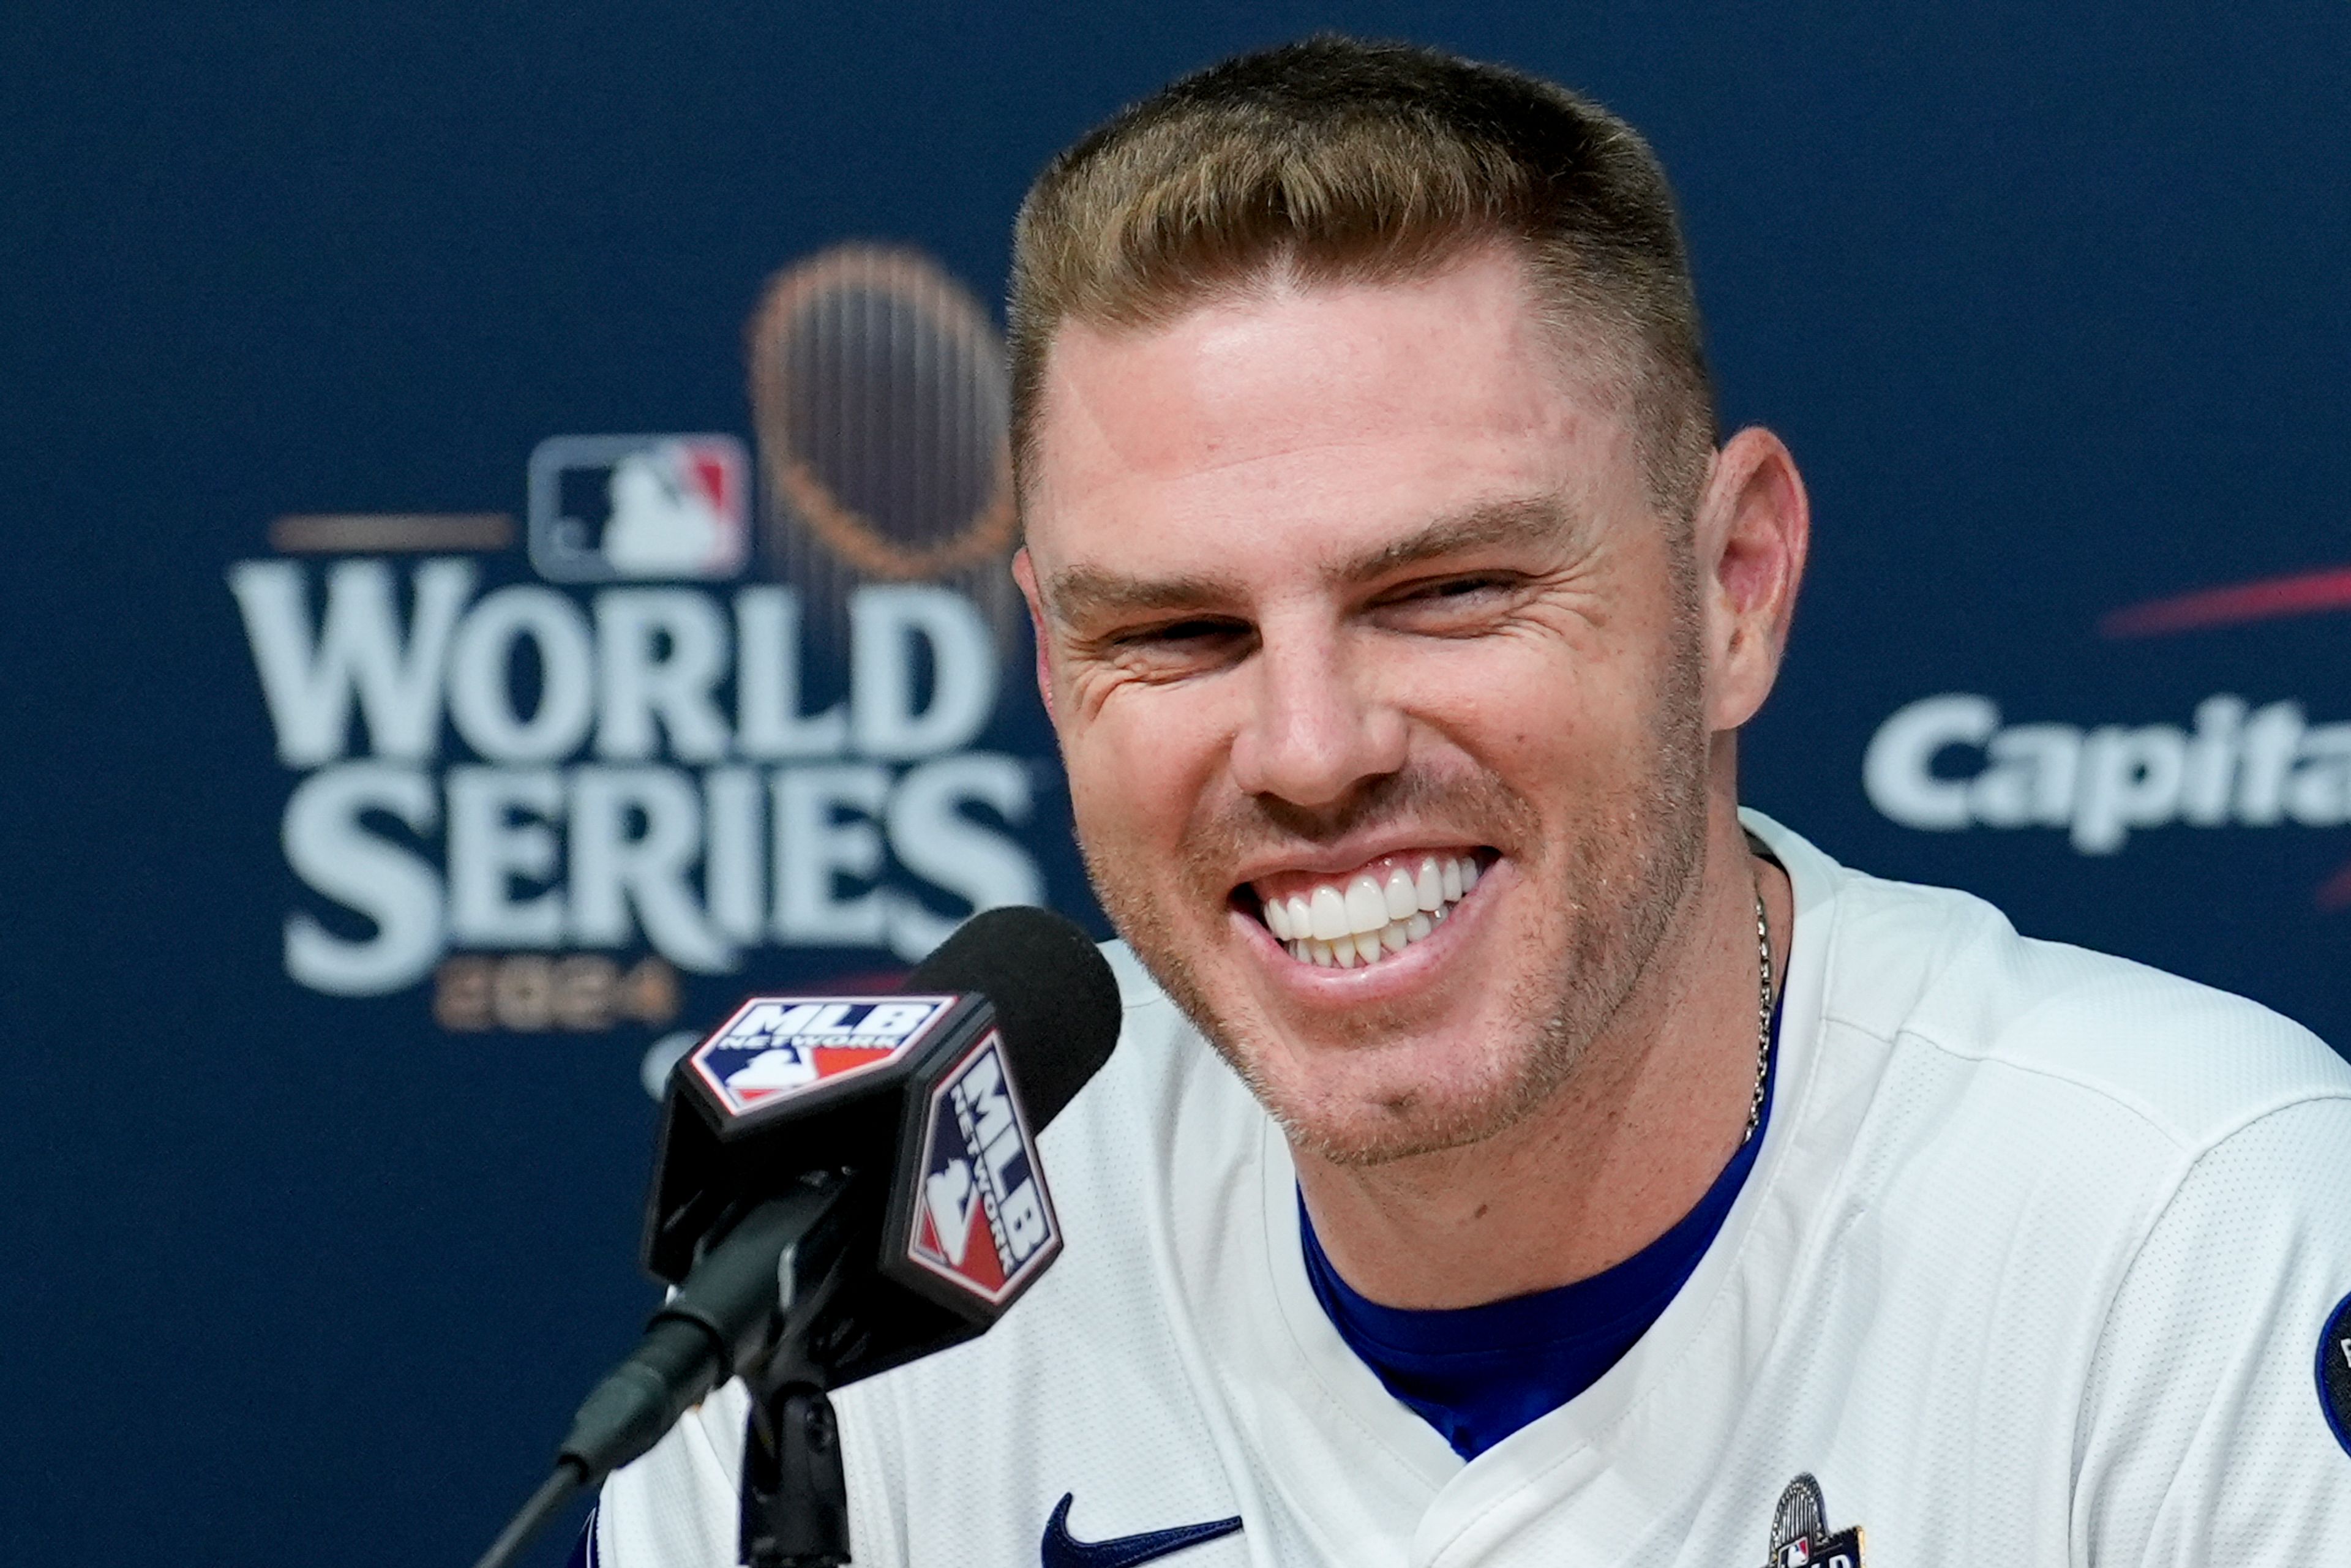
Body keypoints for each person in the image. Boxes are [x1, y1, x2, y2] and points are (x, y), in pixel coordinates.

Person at [594, 35, 2351, 1567]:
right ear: (1055, 669)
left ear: (1734, 586)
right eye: (1180, 630)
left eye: (1446, 591)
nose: (1306, 746)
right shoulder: (850, 1284)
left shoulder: (2186, 1234)